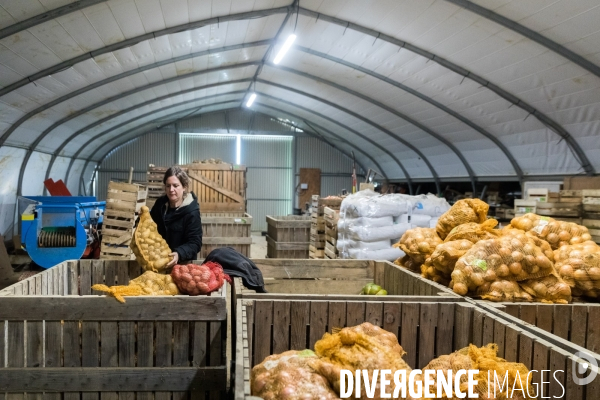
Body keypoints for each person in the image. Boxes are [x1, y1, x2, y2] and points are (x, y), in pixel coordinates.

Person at [150, 166, 202, 267]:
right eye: (168, 185)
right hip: (159, 263)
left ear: (184, 187)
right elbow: (150, 225)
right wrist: (141, 219)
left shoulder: (191, 212)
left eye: (175, 185)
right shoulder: (160, 205)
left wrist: (179, 254)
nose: (171, 189)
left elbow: (195, 243)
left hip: (182, 266)